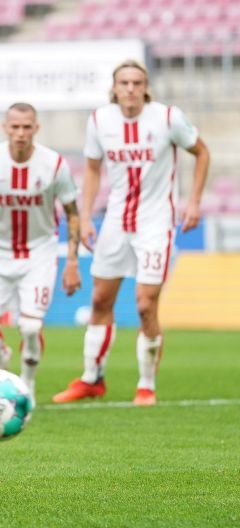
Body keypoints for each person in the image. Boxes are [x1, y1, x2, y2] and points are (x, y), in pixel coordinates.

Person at [52, 59, 210, 406]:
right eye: (124, 83)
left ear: (146, 87)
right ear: (114, 88)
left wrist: (194, 201)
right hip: (115, 222)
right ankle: (92, 379)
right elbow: (92, 169)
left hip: (155, 224)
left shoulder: (168, 118)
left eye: (137, 83)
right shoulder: (100, 121)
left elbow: (201, 152)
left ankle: (146, 385)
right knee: (99, 300)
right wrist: (88, 214)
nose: (130, 89)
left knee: (144, 304)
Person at [0, 102, 81, 401]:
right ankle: (2, 359)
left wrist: (73, 261)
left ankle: (26, 383)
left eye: (27, 127)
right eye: (15, 127)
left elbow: (73, 213)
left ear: (36, 128)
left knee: (30, 324)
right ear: (5, 128)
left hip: (39, 253)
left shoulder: (54, 164)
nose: (21, 133)